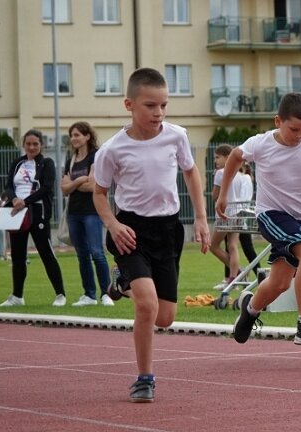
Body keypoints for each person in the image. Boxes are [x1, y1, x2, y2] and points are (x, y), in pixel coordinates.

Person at [93, 67, 210, 403]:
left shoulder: (176, 136)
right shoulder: (112, 150)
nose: (158, 113)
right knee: (146, 306)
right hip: (131, 231)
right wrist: (113, 226)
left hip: (168, 229)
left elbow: (190, 173)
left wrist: (200, 219)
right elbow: (99, 194)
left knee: (165, 317)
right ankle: (145, 378)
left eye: (164, 105)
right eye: (150, 106)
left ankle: (120, 284)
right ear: (129, 105)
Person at [215, 92, 301, 346]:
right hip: (271, 215)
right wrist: (223, 195)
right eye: (294, 129)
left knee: (279, 283)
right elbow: (235, 157)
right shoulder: (261, 143)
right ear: (278, 121)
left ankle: (250, 309)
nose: (300, 136)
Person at [0, 130, 66, 307]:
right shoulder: (17, 163)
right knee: (17, 255)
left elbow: (46, 187)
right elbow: (8, 185)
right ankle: (17, 296)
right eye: (28, 144)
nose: (31, 147)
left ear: (41, 145)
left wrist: (26, 201)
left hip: (38, 212)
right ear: (23, 144)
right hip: (17, 213)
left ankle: (60, 294)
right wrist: (14, 199)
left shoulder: (47, 163)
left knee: (46, 252)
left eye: (35, 144)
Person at [61, 121, 113, 307]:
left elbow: (93, 185)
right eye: (72, 135)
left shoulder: (95, 156)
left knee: (97, 253)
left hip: (92, 212)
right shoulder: (71, 160)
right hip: (74, 213)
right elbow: (64, 189)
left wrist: (74, 183)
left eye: (77, 135)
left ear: (87, 136)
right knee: (82, 255)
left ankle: (106, 293)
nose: (74, 138)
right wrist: (80, 181)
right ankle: (89, 295)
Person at [210, 144, 248, 289]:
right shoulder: (239, 175)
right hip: (238, 213)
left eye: (218, 157)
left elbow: (215, 195)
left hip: (225, 214)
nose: (216, 161)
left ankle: (239, 272)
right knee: (232, 246)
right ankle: (234, 278)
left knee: (213, 246)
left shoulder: (220, 173)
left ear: (228, 157)